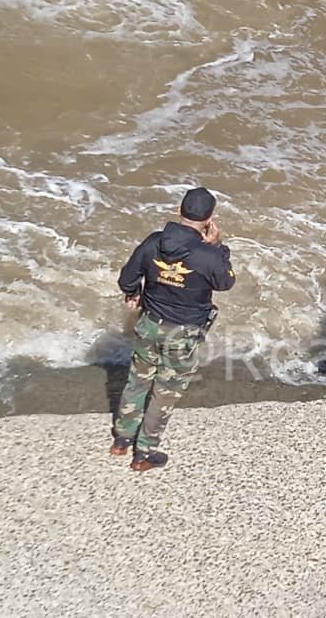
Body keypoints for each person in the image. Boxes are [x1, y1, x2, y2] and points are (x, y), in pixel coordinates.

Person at [111, 187, 236, 470]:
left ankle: (122, 438)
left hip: (149, 323)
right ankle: (144, 452)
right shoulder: (208, 254)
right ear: (209, 219)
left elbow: (127, 277)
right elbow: (226, 282)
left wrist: (134, 292)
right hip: (184, 333)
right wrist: (219, 247)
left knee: (137, 380)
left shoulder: (154, 242)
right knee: (165, 392)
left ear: (179, 212)